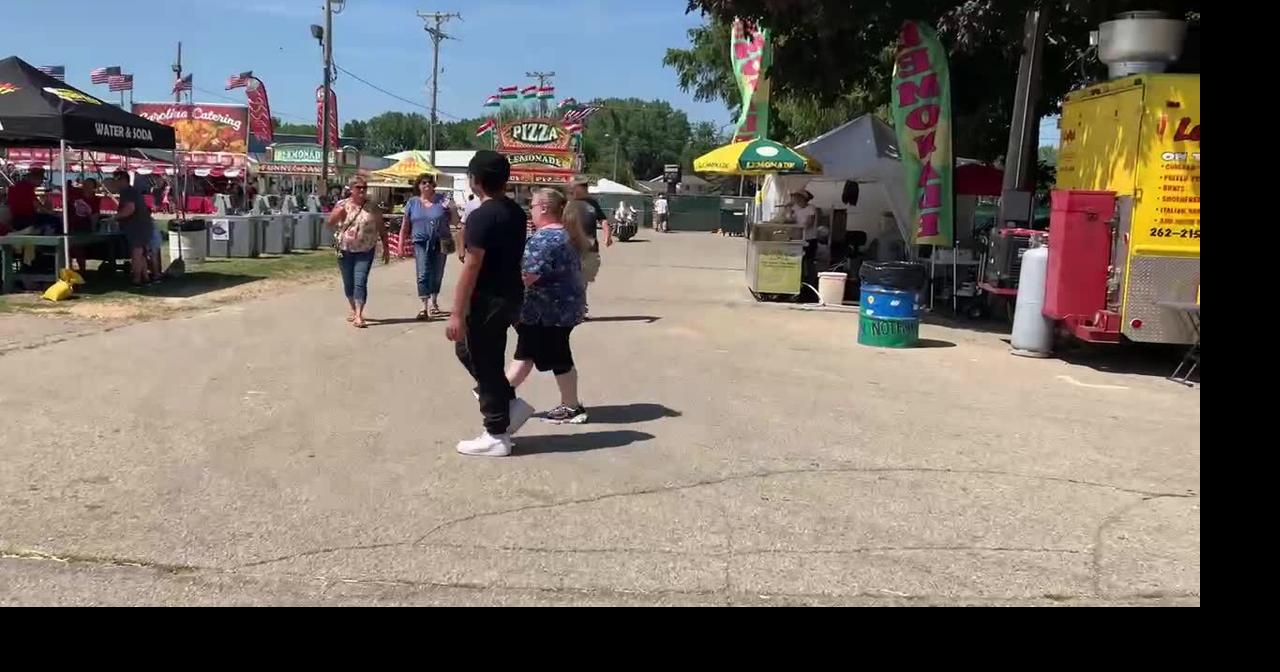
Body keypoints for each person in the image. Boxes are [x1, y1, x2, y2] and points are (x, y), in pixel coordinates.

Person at [446, 151, 534, 457]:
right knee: (469, 352)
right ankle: (507, 403)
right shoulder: (516, 212)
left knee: (486, 361)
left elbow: (471, 266)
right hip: (510, 295)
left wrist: (457, 312)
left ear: (476, 181)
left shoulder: (482, 216)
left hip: (487, 299)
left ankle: (496, 433)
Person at [505, 188, 591, 424]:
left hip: (546, 311)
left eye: (531, 205)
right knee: (542, 353)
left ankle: (496, 394)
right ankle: (570, 405)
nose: (530, 210)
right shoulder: (566, 234)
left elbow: (527, 276)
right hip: (562, 309)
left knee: (537, 353)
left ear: (543, 208)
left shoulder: (544, 239)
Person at [326, 176, 389, 328]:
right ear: (351, 189)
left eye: (364, 187)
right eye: (358, 187)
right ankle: (353, 309)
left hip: (365, 250)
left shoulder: (373, 207)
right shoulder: (342, 204)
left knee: (360, 281)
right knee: (349, 283)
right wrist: (337, 215)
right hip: (344, 249)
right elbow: (329, 224)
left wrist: (386, 247)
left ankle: (359, 315)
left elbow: (381, 227)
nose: (362, 190)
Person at [400, 172, 458, 319]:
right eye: (423, 183)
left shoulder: (442, 200)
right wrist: (400, 244)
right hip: (420, 241)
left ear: (434, 186)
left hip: (440, 241)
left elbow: (454, 222)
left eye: (429, 182)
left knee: (437, 273)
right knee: (423, 273)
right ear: (418, 186)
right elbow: (405, 225)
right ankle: (423, 307)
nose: (426, 185)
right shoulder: (413, 202)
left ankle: (434, 302)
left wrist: (453, 209)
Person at [567, 176, 612, 311]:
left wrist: (607, 236)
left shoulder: (593, 204)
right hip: (571, 245)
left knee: (584, 278)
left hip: (589, 246)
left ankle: (580, 305)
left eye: (574, 187)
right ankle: (574, 304)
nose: (572, 189)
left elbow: (603, 220)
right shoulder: (568, 203)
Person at [109, 170, 156, 286]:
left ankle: (136, 279)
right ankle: (145, 278)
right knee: (141, 253)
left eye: (115, 181)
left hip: (137, 226)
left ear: (122, 180)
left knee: (136, 252)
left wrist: (114, 217)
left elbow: (130, 209)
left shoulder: (127, 191)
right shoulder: (131, 191)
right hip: (143, 225)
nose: (113, 184)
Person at [64, 181, 94, 272]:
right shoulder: (75, 194)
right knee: (68, 249)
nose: (86, 187)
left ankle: (82, 270)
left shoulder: (94, 199)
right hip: (70, 225)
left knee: (78, 249)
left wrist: (93, 227)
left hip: (83, 227)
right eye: (85, 184)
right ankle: (69, 269)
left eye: (89, 185)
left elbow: (94, 215)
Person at [5, 168, 44, 233]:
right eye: (41, 179)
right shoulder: (28, 188)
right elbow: (36, 205)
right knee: (52, 221)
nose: (42, 182)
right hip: (27, 219)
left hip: (15, 219)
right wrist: (51, 212)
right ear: (34, 178)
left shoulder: (15, 187)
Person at [791, 189, 819, 279]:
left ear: (804, 199)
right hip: (798, 239)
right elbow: (790, 220)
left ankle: (811, 283)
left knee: (809, 262)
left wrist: (799, 228)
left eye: (798, 198)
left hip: (810, 238)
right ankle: (800, 281)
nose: (797, 200)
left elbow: (809, 223)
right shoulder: (795, 208)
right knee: (799, 261)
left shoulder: (811, 208)